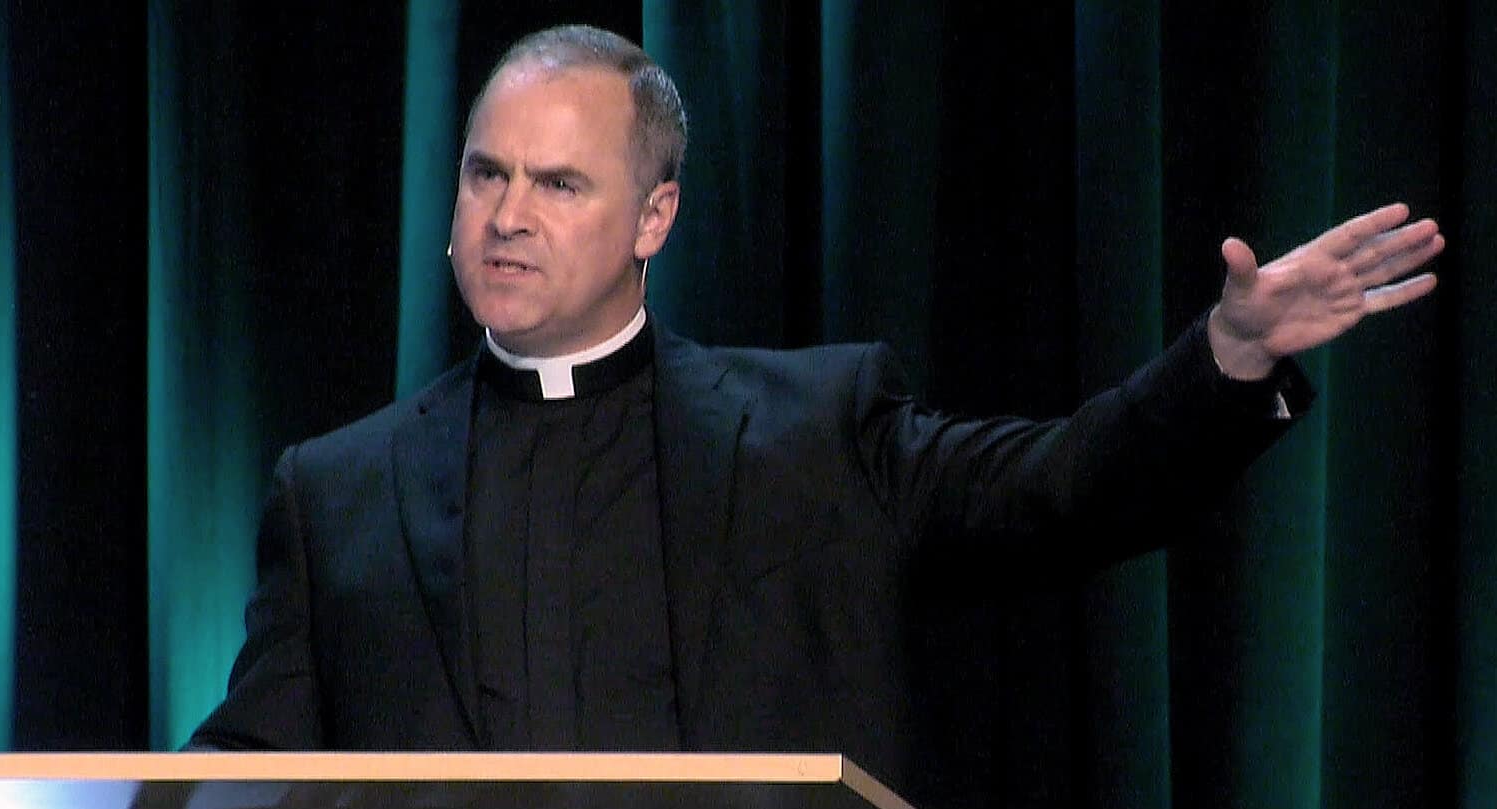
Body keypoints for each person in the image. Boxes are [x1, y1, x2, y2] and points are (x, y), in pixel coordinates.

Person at [187, 23, 1444, 780]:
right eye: (484, 175)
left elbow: (1066, 488)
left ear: (654, 217)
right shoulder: (335, 489)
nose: (507, 216)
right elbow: (248, 768)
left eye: (558, 183)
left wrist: (1225, 354)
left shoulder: (815, 431)